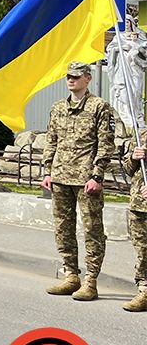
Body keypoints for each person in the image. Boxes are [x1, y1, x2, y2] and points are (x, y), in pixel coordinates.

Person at [40, 61, 115, 301]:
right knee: (63, 228)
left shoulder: (99, 107)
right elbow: (51, 140)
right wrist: (47, 171)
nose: (71, 80)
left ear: (88, 78)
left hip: (86, 180)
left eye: (76, 76)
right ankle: (71, 275)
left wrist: (97, 175)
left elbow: (106, 143)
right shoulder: (58, 107)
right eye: (68, 76)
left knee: (92, 230)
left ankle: (91, 281)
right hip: (61, 176)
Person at [119, 145, 147, 312]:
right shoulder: (141, 134)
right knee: (142, 252)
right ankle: (144, 291)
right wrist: (134, 158)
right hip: (139, 204)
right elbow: (127, 170)